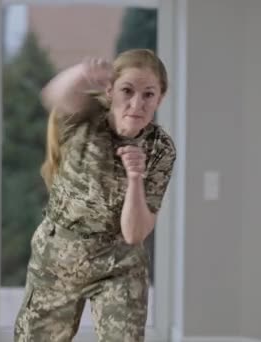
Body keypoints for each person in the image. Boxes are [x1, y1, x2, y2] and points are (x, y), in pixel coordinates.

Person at [14, 48, 176, 342]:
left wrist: (136, 177)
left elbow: (134, 233)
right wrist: (83, 72)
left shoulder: (160, 148)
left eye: (148, 95)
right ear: (111, 90)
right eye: (127, 91)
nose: (137, 104)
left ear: (160, 99)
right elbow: (51, 95)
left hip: (120, 263)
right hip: (59, 255)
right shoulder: (86, 116)